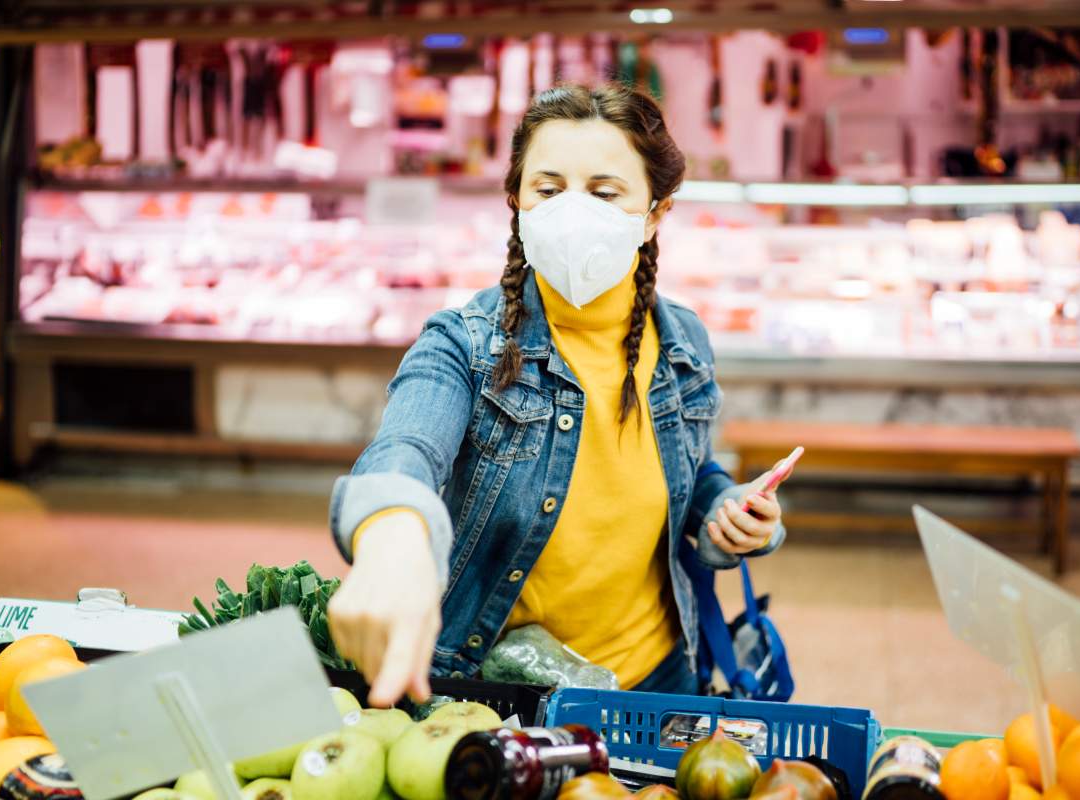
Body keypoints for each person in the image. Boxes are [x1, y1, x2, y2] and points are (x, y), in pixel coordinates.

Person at [327, 83, 789, 707]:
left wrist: (726, 512)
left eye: (605, 193)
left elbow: (690, 471)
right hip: (504, 689)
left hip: (657, 676)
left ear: (655, 212)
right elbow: (405, 448)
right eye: (549, 189)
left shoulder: (684, 342)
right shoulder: (465, 344)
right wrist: (394, 540)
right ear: (516, 201)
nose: (574, 212)